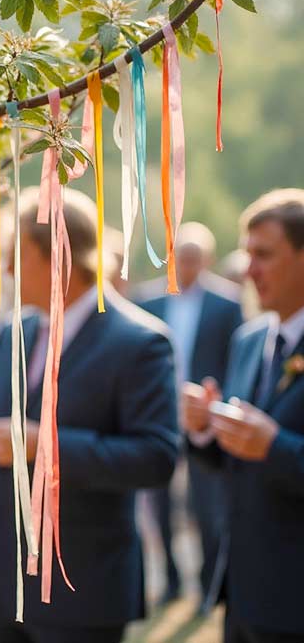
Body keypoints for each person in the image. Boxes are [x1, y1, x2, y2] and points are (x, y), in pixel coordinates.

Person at [0, 186, 179, 643]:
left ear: (59, 254)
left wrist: (48, 446)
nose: (9, 269)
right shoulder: (15, 331)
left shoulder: (140, 342)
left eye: (17, 253)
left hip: (81, 586)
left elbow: (156, 458)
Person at [182, 189, 304, 643]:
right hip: (244, 595)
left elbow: (268, 448)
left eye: (265, 255)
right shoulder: (250, 339)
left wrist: (275, 446)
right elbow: (237, 461)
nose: (248, 270)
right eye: (247, 254)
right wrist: (203, 432)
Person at [136, 222, 242, 607]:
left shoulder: (228, 303)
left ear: (208, 260)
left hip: (205, 418)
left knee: (207, 502)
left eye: (195, 258)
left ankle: (208, 581)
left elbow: (236, 361)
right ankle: (171, 580)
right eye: (182, 256)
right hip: (159, 413)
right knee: (158, 501)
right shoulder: (147, 301)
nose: (188, 264)